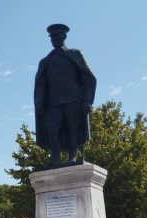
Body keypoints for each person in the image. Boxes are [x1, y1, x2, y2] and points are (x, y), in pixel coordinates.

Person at [34, 23, 97, 167]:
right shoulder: (46, 61)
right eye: (52, 37)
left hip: (73, 98)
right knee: (51, 129)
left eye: (57, 36)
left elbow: (87, 79)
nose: (54, 40)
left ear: (64, 37)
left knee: (72, 129)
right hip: (53, 101)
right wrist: (39, 102)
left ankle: (72, 158)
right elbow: (41, 84)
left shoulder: (75, 54)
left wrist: (87, 101)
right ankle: (56, 160)